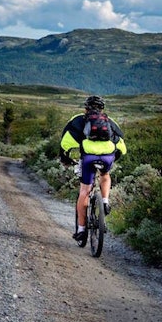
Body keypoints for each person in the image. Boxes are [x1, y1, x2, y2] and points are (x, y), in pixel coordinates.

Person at [59, 95, 127, 246]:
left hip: (88, 158)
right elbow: (121, 145)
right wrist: (114, 157)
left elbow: (65, 143)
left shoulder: (78, 120)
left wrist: (65, 158)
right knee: (105, 175)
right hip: (107, 157)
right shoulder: (109, 121)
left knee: (84, 190)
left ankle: (81, 230)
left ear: (86, 108)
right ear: (102, 109)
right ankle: (105, 201)